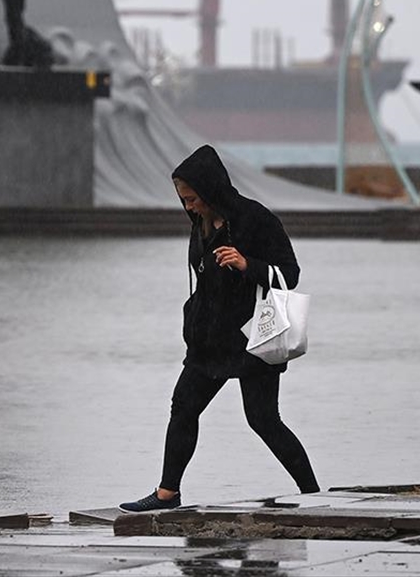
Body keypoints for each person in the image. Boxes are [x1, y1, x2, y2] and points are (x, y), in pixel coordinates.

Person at [119, 145, 320, 513]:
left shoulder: (255, 219)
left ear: (210, 190)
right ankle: (167, 494)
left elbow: (290, 274)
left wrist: (247, 264)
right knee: (183, 407)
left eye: (193, 199)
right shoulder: (199, 223)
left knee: (263, 420)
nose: (189, 207)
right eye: (184, 201)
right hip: (208, 341)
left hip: (251, 340)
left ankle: (315, 494)